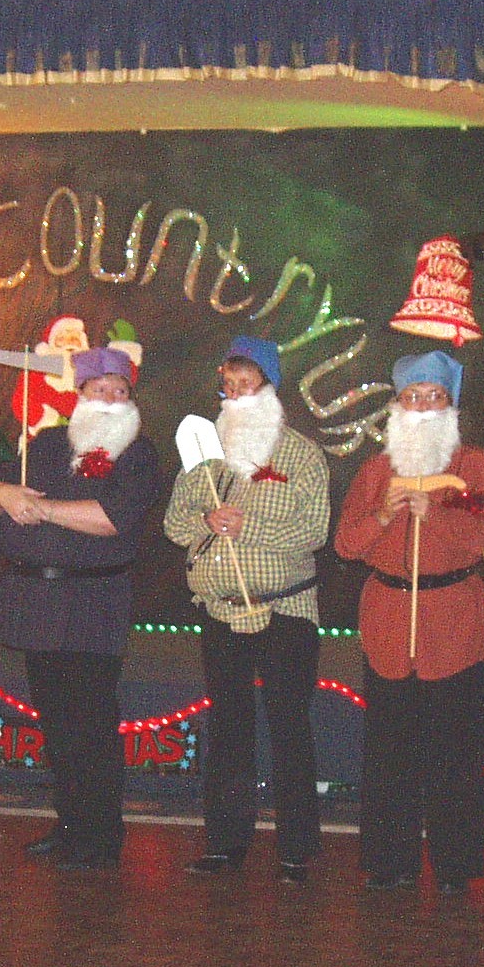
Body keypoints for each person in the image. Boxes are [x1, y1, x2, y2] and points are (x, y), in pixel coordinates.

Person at [0, 343, 165, 870]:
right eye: (99, 388)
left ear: (131, 399)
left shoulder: (138, 455)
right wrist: (1, 494)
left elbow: (113, 518)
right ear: (80, 394)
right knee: (57, 724)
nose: (108, 398)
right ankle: (69, 825)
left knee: (90, 725)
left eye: (119, 390)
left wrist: (42, 509)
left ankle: (100, 836)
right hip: (39, 603)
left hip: (94, 603)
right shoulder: (46, 444)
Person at [335, 350, 484, 893]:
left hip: (453, 620)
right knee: (389, 751)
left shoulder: (476, 468)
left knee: (455, 752)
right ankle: (391, 862)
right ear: (396, 407)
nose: (423, 406)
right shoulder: (376, 471)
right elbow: (346, 545)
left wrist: (436, 517)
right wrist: (385, 514)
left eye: (435, 397)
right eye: (413, 397)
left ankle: (455, 867)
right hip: (389, 619)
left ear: (451, 406)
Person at [161, 333, 331, 882]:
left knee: (288, 730)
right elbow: (173, 525)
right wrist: (205, 521)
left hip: (285, 612)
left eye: (247, 385)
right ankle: (226, 844)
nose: (236, 395)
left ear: (270, 389)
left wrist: (248, 526)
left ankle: (296, 850)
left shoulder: (301, 455)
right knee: (228, 731)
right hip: (220, 612)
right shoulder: (205, 457)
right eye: (229, 386)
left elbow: (315, 531)